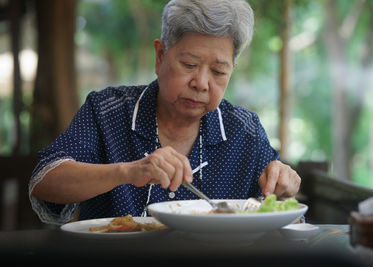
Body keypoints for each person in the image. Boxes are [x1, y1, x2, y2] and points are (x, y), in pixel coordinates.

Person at [29, 0, 301, 224]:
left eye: (218, 71)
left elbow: (275, 212)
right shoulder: (106, 111)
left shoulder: (244, 129)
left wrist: (281, 188)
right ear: (160, 56)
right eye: (190, 64)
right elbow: (45, 180)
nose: (202, 84)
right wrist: (127, 172)